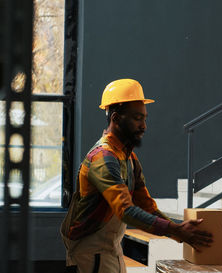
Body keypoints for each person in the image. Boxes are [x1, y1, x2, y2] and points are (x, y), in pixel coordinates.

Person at [61, 79, 213, 273]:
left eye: (144, 118)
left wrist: (179, 230)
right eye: (137, 118)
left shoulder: (128, 158)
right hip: (91, 255)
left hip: (110, 251)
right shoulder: (103, 158)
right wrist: (176, 230)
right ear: (115, 118)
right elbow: (125, 211)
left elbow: (146, 207)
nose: (144, 126)